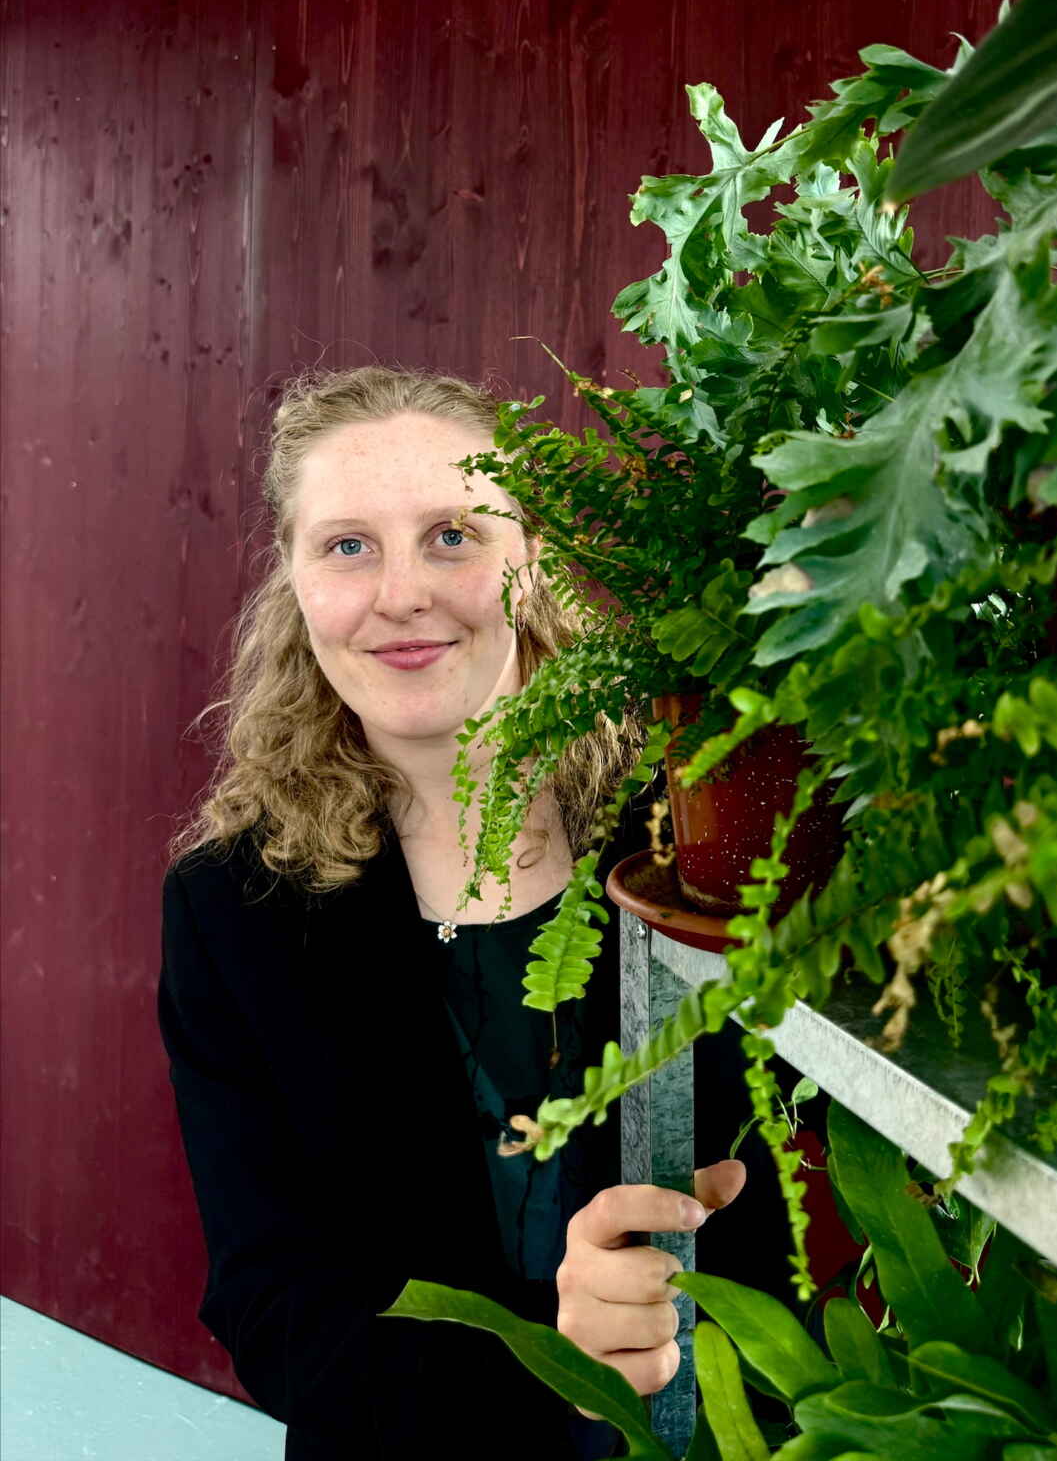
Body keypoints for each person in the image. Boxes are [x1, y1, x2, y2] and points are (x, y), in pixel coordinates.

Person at [159, 364, 820, 1460]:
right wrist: (552, 1363)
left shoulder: (702, 829)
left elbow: (812, 1197)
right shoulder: (233, 906)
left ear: (532, 559)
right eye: (348, 545)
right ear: (295, 578)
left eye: (452, 536)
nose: (401, 593)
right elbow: (270, 1304)